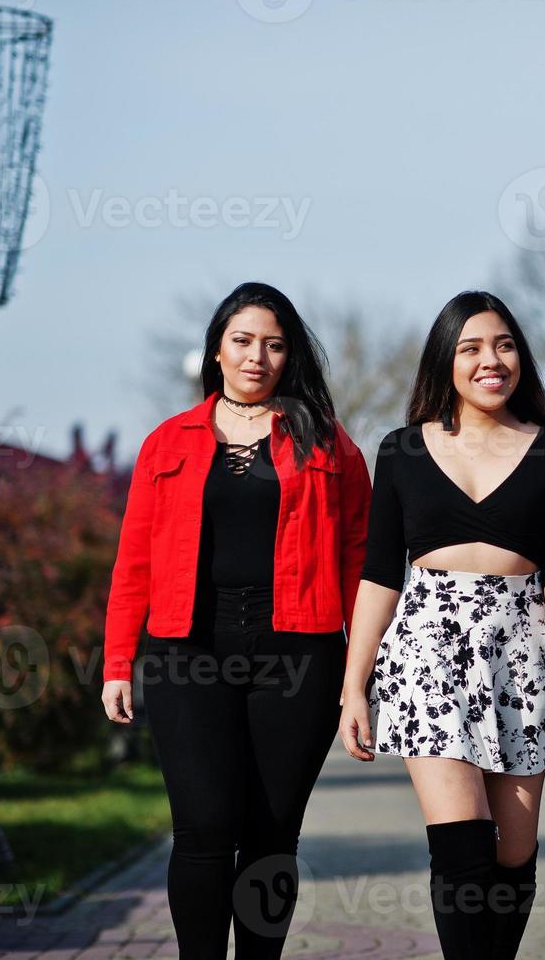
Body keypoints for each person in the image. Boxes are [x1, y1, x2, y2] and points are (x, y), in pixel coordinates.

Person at [101, 282, 370, 960]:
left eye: (274, 345)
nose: (258, 357)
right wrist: (115, 664)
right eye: (243, 341)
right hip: (185, 654)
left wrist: (363, 673)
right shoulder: (167, 442)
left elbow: (360, 560)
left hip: (298, 657)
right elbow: (133, 559)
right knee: (202, 827)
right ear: (216, 350)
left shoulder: (328, 444)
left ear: (290, 357)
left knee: (273, 835)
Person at [337, 290, 545, 960]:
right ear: (444, 359)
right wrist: (353, 685)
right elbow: (379, 575)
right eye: (472, 347)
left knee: (513, 852)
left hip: (522, 653)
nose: (491, 360)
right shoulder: (401, 450)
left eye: (504, 344)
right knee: (462, 845)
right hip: (427, 654)